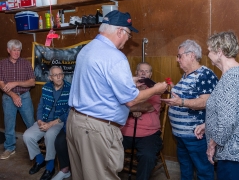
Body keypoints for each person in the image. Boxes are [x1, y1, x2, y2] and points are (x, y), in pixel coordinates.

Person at [67, 10, 167, 180]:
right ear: (120, 31)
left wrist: (129, 81)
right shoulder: (115, 56)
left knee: (81, 175)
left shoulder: (87, 49)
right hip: (96, 128)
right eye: (128, 34)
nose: (128, 40)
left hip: (75, 122)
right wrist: (157, 89)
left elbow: (99, 82)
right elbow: (132, 100)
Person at [195, 31, 239, 180]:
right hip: (237, 151)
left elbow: (228, 121)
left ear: (220, 52)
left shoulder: (230, 77)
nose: (208, 53)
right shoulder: (236, 72)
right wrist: (208, 125)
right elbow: (232, 112)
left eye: (209, 50)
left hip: (233, 153)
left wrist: (212, 145)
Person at [161, 39, 218, 180]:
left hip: (196, 136)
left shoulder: (205, 74)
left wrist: (180, 102)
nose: (177, 59)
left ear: (191, 55)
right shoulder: (186, 75)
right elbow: (188, 99)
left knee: (203, 171)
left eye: (180, 56)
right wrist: (176, 99)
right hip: (182, 136)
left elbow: (207, 102)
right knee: (185, 170)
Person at [23, 66, 71, 180]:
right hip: (44, 120)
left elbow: (70, 111)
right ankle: (39, 160)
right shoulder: (46, 88)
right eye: (55, 75)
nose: (59, 77)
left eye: (60, 74)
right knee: (27, 136)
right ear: (50, 78)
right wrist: (39, 121)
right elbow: (40, 105)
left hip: (59, 122)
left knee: (50, 135)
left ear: (63, 75)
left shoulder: (70, 88)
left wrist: (51, 124)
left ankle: (50, 166)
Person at [121, 62, 162, 180]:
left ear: (151, 74)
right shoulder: (127, 88)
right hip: (125, 132)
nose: (143, 73)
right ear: (136, 72)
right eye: (141, 70)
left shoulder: (155, 89)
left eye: (147, 71)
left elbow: (147, 106)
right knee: (107, 148)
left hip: (149, 133)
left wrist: (129, 108)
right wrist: (133, 109)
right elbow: (119, 103)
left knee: (147, 156)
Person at [0, 39, 35, 160]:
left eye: (19, 50)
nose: (16, 53)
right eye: (14, 50)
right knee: (9, 124)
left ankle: (35, 147)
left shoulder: (25, 64)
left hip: (25, 96)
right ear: (8, 50)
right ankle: (9, 147)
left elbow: (32, 82)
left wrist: (15, 83)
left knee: (31, 123)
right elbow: (1, 83)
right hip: (8, 98)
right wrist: (13, 95)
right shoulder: (2, 64)